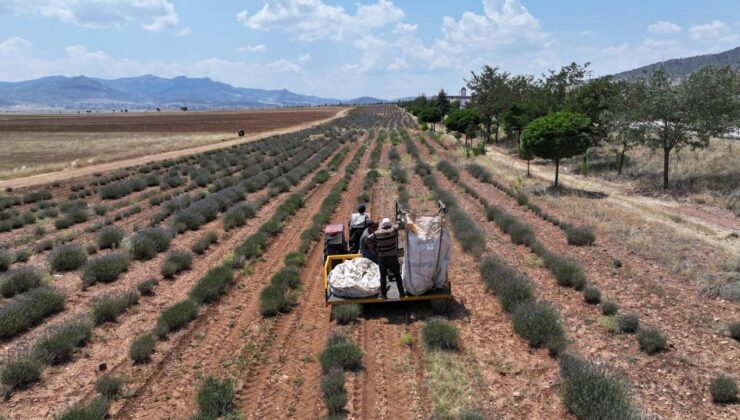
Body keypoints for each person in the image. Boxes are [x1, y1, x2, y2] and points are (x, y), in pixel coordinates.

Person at [366, 218, 406, 298]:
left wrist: (374, 250)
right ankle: (401, 293)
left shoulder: (377, 234)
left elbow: (367, 240)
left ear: (382, 226)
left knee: (383, 276)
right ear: (389, 225)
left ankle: (383, 294)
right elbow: (397, 225)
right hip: (393, 257)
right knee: (397, 275)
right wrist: (399, 221)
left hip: (382, 258)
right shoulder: (393, 231)